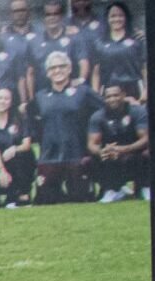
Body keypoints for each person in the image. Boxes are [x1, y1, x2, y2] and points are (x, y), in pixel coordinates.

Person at [31, 48, 98, 200]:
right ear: (47, 73)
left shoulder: (83, 92)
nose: (57, 70)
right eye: (53, 68)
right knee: (45, 201)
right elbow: (32, 121)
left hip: (77, 156)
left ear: (69, 69)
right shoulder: (40, 96)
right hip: (49, 157)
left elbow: (103, 112)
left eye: (62, 66)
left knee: (80, 199)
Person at [89, 79, 148, 200]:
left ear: (123, 95)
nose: (112, 99)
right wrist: (101, 151)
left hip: (134, 153)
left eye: (116, 95)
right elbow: (91, 144)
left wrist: (124, 149)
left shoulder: (137, 111)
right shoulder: (98, 116)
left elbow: (145, 139)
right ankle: (112, 189)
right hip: (111, 155)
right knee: (90, 159)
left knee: (147, 154)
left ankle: (145, 187)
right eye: (108, 97)